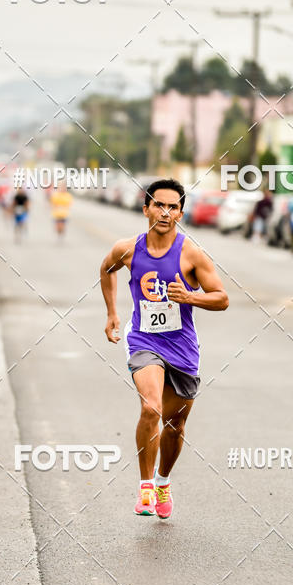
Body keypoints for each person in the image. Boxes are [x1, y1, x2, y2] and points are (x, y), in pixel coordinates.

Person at [100, 179, 229, 519]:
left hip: (182, 347)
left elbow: (222, 298)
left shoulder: (191, 253)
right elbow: (106, 269)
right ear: (146, 209)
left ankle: (162, 481)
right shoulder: (127, 249)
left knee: (175, 424)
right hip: (144, 340)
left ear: (181, 214)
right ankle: (145, 488)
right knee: (151, 408)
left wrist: (191, 297)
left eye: (173, 207)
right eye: (159, 204)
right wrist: (113, 313)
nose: (165, 212)